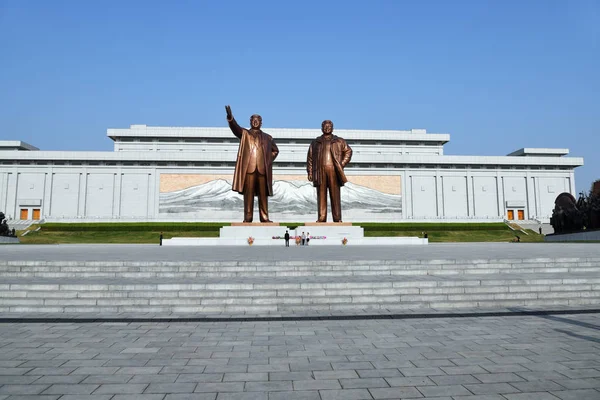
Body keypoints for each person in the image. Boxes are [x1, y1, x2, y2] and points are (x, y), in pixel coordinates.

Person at [225, 105, 279, 223]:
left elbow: (275, 150)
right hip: (249, 169)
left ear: (261, 123)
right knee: (248, 194)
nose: (255, 122)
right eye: (253, 120)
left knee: (263, 195)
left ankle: (264, 217)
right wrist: (230, 118)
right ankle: (248, 217)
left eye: (257, 120)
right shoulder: (245, 134)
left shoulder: (268, 138)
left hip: (262, 169)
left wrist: (268, 159)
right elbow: (235, 128)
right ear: (250, 122)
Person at [307, 120, 353, 222]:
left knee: (335, 195)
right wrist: (310, 172)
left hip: (334, 171)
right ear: (321, 128)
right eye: (325, 126)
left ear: (332, 128)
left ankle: (337, 218)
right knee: (321, 195)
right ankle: (321, 217)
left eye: (329, 126)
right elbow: (310, 158)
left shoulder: (339, 141)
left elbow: (348, 152)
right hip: (320, 171)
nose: (327, 128)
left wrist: (341, 164)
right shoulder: (315, 142)